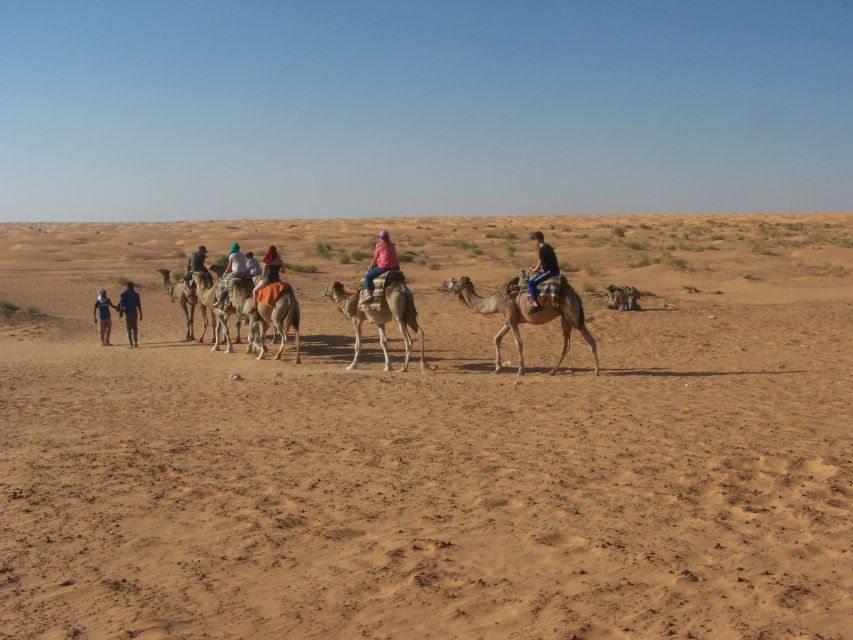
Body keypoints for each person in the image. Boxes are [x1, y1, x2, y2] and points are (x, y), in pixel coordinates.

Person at [362, 230, 400, 302]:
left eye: (379, 237)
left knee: (368, 276)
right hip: (396, 267)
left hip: (384, 267)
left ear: (381, 238)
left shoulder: (379, 245)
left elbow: (375, 259)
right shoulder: (392, 245)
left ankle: (368, 294)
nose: (379, 239)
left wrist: (370, 268)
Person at [527, 231, 560, 314]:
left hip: (550, 272)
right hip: (552, 270)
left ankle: (536, 305)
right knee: (536, 276)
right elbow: (546, 263)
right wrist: (536, 269)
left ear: (537, 240)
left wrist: (534, 269)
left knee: (530, 283)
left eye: (534, 240)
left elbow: (539, 264)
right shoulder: (547, 247)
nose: (534, 242)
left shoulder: (542, 249)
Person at [218, 242, 251, 307]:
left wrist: (225, 273)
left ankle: (222, 300)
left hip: (237, 273)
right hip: (246, 272)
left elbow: (229, 266)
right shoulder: (242, 254)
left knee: (223, 282)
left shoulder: (232, 255)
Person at [117, 281, 142, 348]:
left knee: (128, 329)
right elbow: (139, 305)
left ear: (127, 286)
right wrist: (141, 314)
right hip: (135, 313)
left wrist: (120, 313)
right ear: (133, 286)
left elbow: (122, 304)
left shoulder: (124, 294)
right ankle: (136, 343)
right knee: (134, 328)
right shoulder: (136, 294)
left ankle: (131, 344)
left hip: (128, 313)